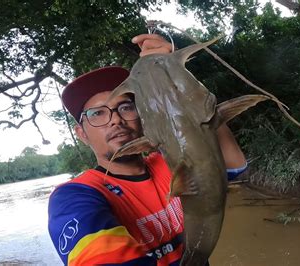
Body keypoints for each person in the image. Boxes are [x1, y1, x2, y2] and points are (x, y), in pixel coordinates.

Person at [48, 34, 248, 266]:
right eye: (97, 114)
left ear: (143, 116)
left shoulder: (170, 161)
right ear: (81, 134)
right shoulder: (75, 197)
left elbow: (235, 164)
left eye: (125, 107)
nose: (115, 120)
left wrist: (178, 76)